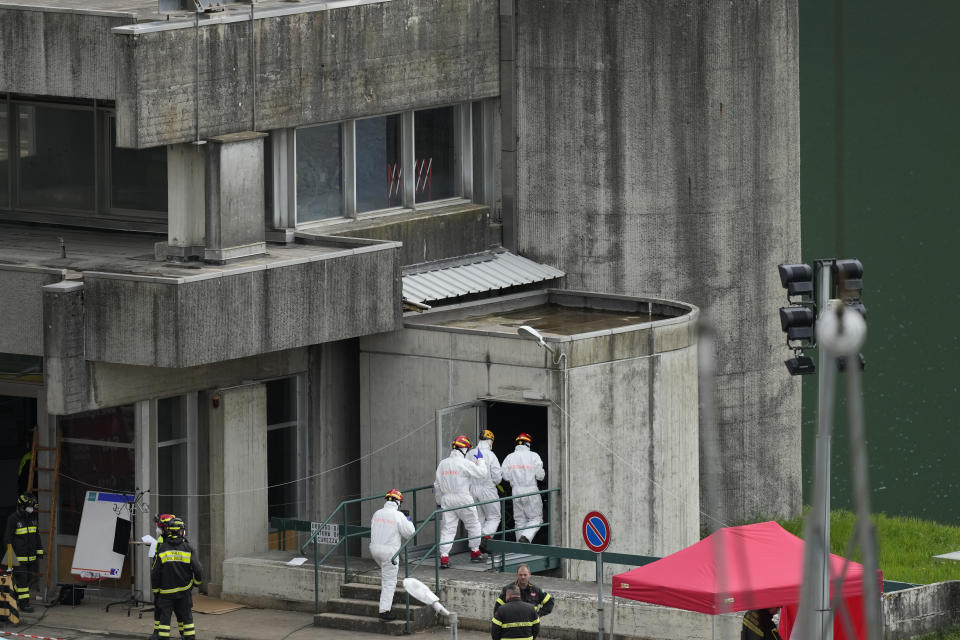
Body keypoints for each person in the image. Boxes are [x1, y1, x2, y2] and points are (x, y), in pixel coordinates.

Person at [434, 434, 488, 568]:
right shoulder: (464, 463)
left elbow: (437, 485)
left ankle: (444, 557)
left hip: (447, 499)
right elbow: (482, 473)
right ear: (464, 449)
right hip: (463, 497)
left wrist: (440, 501)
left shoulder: (443, 463)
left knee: (448, 528)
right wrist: (481, 460)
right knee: (473, 524)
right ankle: (475, 552)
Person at [151, 517, 202, 639]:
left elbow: (155, 572)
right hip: (184, 591)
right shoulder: (188, 548)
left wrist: (156, 590)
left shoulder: (162, 548)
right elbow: (198, 569)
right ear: (180, 531)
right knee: (186, 618)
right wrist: (196, 582)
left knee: (164, 620)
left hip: (166, 593)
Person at [369, 489, 416, 621]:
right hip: (389, 553)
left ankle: (387, 597)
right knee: (389, 581)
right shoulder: (398, 516)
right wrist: (408, 518)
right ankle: (384, 611)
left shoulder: (377, 513)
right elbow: (409, 533)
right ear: (397, 502)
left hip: (374, 550)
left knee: (387, 576)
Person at [500, 433, 545, 543]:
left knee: (519, 520)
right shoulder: (533, 456)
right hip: (531, 490)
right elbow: (540, 476)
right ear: (528, 443)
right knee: (536, 519)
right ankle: (526, 537)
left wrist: (514, 480)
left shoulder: (509, 457)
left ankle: (520, 550)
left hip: (516, 491)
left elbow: (505, 476)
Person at [3, 493, 43, 613]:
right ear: (22, 506)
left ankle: (15, 593)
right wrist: (10, 560)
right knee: (23, 582)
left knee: (28, 580)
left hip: (31, 558)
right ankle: (24, 604)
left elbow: (37, 536)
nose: (32, 509)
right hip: (19, 559)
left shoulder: (32, 519)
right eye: (29, 507)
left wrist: (39, 550)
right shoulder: (13, 519)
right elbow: (7, 540)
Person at [468, 429, 503, 547]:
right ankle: (486, 537)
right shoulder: (491, 455)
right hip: (487, 489)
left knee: (478, 520)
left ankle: (476, 547)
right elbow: (497, 477)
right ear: (490, 441)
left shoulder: (469, 454)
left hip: (472, 490)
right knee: (494, 516)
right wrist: (492, 482)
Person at [149, 514, 176, 640]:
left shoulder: (175, 540)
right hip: (163, 580)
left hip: (172, 581)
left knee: (178, 612)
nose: (157, 529)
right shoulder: (161, 540)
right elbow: (156, 563)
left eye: (159, 527)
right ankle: (157, 632)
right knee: (159, 608)